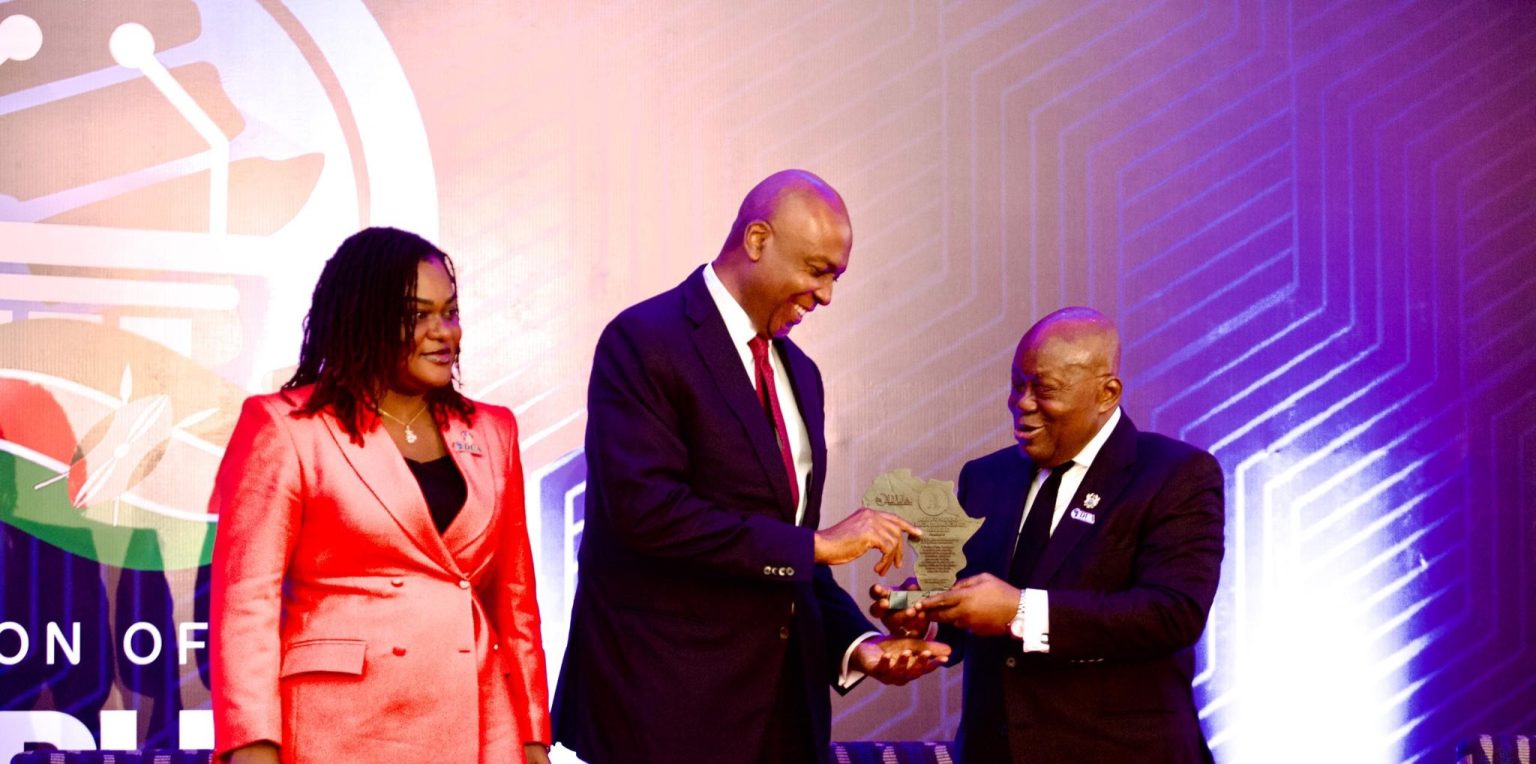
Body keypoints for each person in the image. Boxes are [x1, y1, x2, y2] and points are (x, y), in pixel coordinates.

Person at [552, 170, 950, 764]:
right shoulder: (644, 341)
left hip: (784, 722)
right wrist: (817, 545)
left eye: (836, 277)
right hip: (665, 717)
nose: (826, 296)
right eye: (817, 270)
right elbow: (648, 514)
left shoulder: (802, 375)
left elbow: (789, 555)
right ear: (758, 240)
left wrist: (861, 646)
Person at [209, 227, 552, 763]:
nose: (444, 332)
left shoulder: (493, 431)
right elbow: (246, 602)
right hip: (339, 729)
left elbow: (515, 602)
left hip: (479, 724)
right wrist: (252, 743)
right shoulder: (286, 427)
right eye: (418, 315)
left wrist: (531, 733)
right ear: (363, 318)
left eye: (450, 312)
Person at [873, 307, 1224, 763]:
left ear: (1107, 394)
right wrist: (923, 614)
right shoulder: (985, 477)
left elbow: (1173, 614)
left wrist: (1020, 611)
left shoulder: (1175, 474)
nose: (1022, 403)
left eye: (1045, 389)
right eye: (1018, 384)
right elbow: (973, 604)